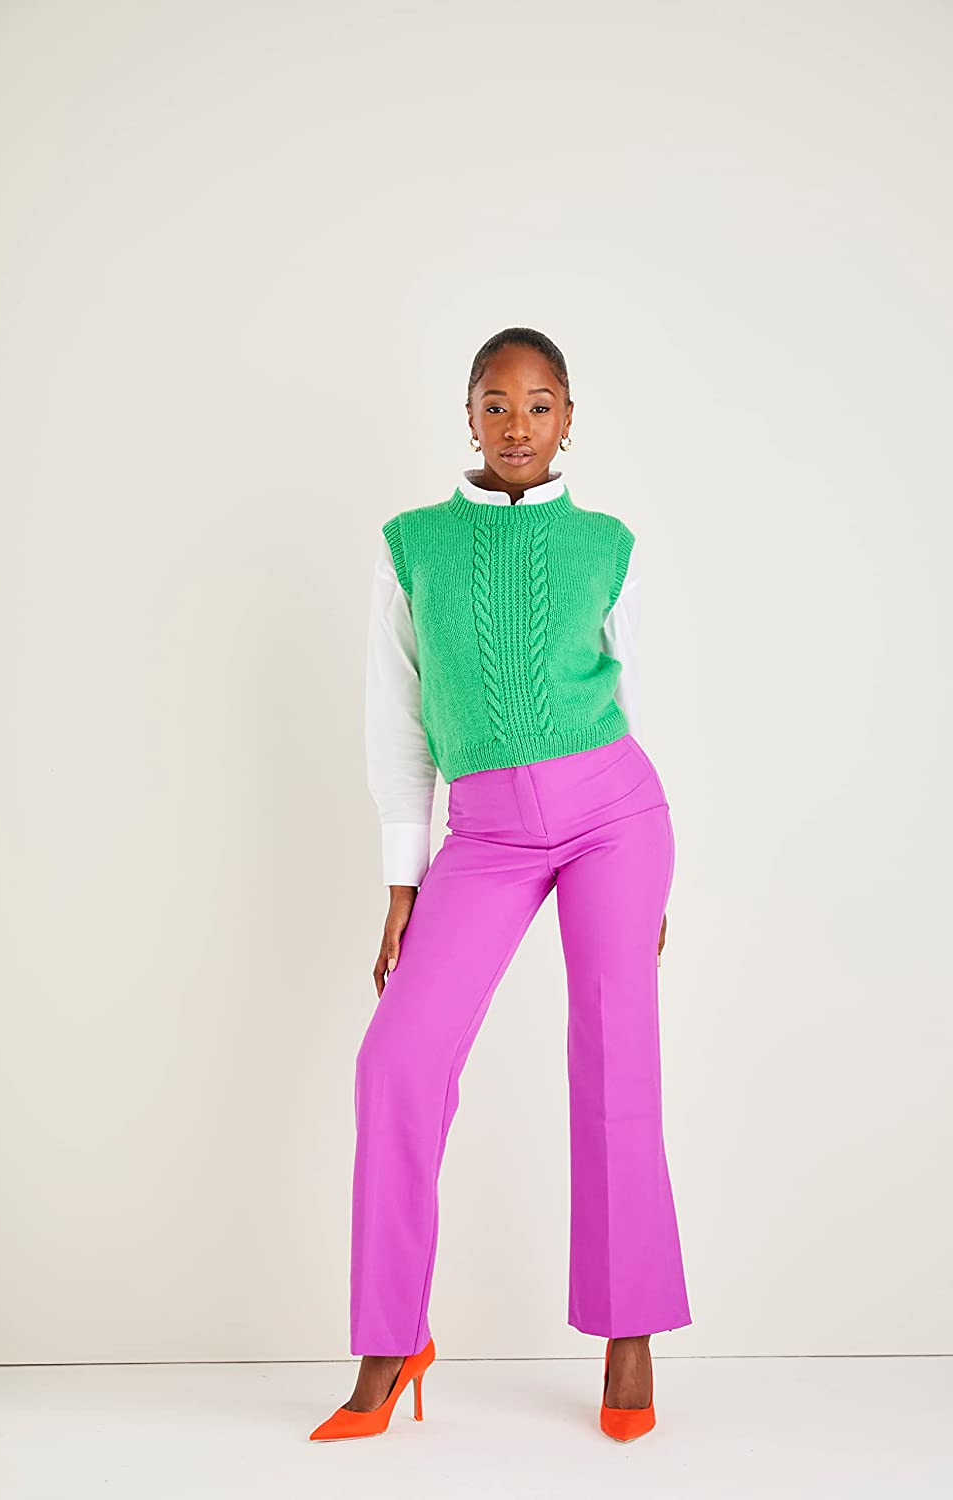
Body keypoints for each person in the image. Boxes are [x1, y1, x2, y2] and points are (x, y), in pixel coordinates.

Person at [310, 327, 691, 1444]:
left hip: (616, 818)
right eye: (495, 402)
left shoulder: (607, 546)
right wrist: (402, 877)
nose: (516, 424)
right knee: (395, 1062)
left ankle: (629, 1332)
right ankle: (390, 1340)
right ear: (468, 414)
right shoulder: (412, 547)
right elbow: (396, 720)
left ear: (568, 417)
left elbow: (631, 696)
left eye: (538, 404)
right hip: (483, 834)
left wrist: (653, 876)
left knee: (617, 1059)